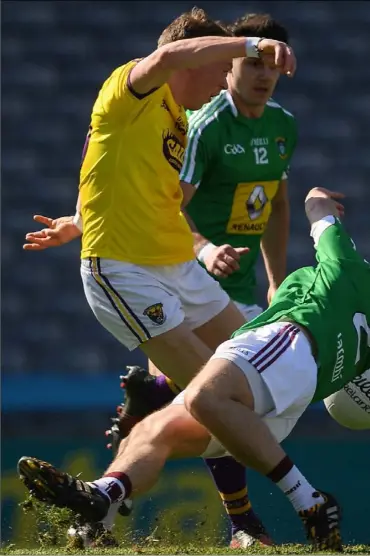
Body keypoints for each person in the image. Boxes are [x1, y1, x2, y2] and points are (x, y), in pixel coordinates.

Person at [22, 7, 295, 548]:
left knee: (247, 384)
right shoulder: (138, 86)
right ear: (194, 60)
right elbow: (166, 59)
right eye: (218, 67)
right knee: (220, 402)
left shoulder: (176, 118)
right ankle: (266, 512)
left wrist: (78, 218)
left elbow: (102, 159)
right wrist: (245, 48)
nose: (224, 81)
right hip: (134, 271)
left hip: (175, 269)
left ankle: (111, 477)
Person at [19, 187, 370, 552]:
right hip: (284, 404)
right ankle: (103, 496)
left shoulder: (349, 267)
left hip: (287, 343)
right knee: (157, 428)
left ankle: (308, 500)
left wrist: (322, 200)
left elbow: (314, 203)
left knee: (202, 396)